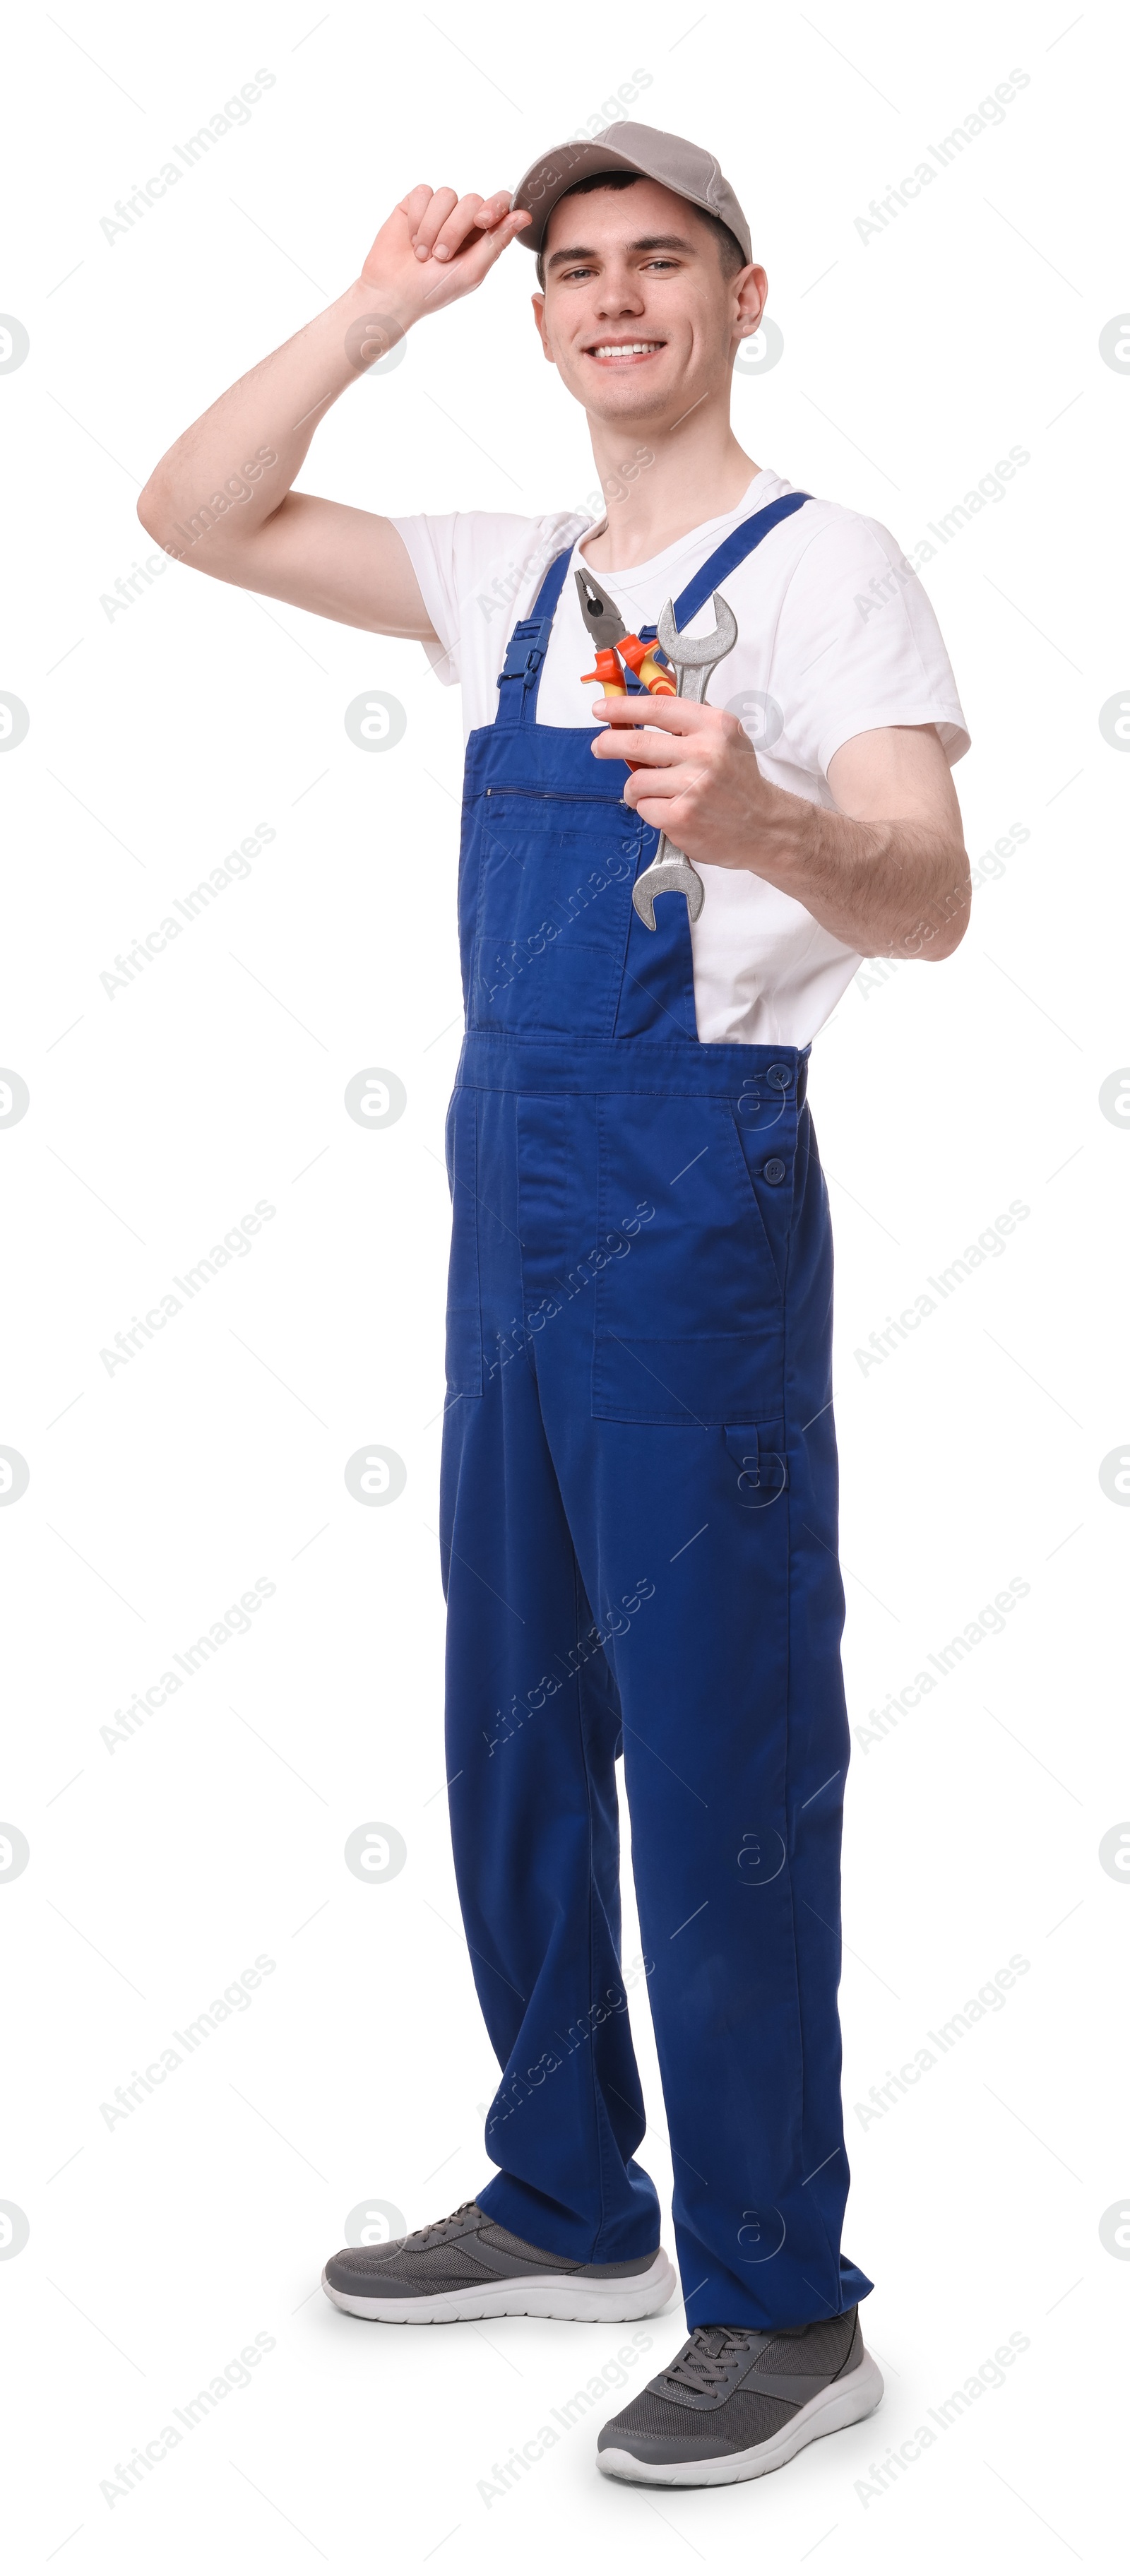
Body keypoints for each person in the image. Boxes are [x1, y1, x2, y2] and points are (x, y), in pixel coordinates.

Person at [138, 121, 970, 2491]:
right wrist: (375, 309)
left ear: (741, 292)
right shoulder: (507, 574)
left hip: (694, 1216)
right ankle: (570, 2189)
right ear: (542, 316)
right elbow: (192, 512)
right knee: (514, 1722)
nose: (615, 299)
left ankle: (785, 2305)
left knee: (714, 1767)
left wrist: (766, 827)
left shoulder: (829, 577)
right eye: (576, 269)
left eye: (661, 262)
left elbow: (930, 899)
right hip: (506, 1215)